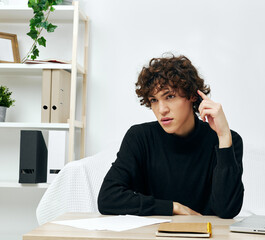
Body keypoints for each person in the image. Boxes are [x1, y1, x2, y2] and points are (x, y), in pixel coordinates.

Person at [98, 54, 244, 218]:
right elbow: (107, 198)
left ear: (192, 96)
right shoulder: (140, 138)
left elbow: (226, 210)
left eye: (170, 96)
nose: (162, 110)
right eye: (153, 100)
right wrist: (173, 207)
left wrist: (224, 136)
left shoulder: (226, 141)